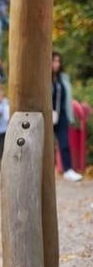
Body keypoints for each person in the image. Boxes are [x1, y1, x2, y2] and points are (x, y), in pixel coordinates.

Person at [52, 51, 83, 182]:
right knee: (45, 144)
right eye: (54, 61)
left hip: (62, 114)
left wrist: (70, 117)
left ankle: (68, 169)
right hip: (48, 114)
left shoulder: (62, 77)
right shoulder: (42, 77)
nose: (57, 64)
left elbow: (67, 98)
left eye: (59, 61)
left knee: (65, 142)